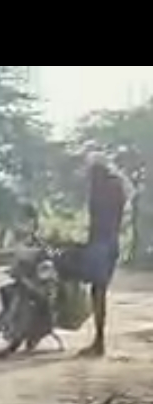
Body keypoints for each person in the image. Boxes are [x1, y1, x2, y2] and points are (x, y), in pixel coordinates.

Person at [83, 153, 129, 357]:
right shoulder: (117, 187)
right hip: (111, 242)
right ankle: (98, 340)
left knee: (97, 292)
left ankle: (99, 342)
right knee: (99, 291)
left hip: (100, 243)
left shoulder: (101, 188)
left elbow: (97, 220)